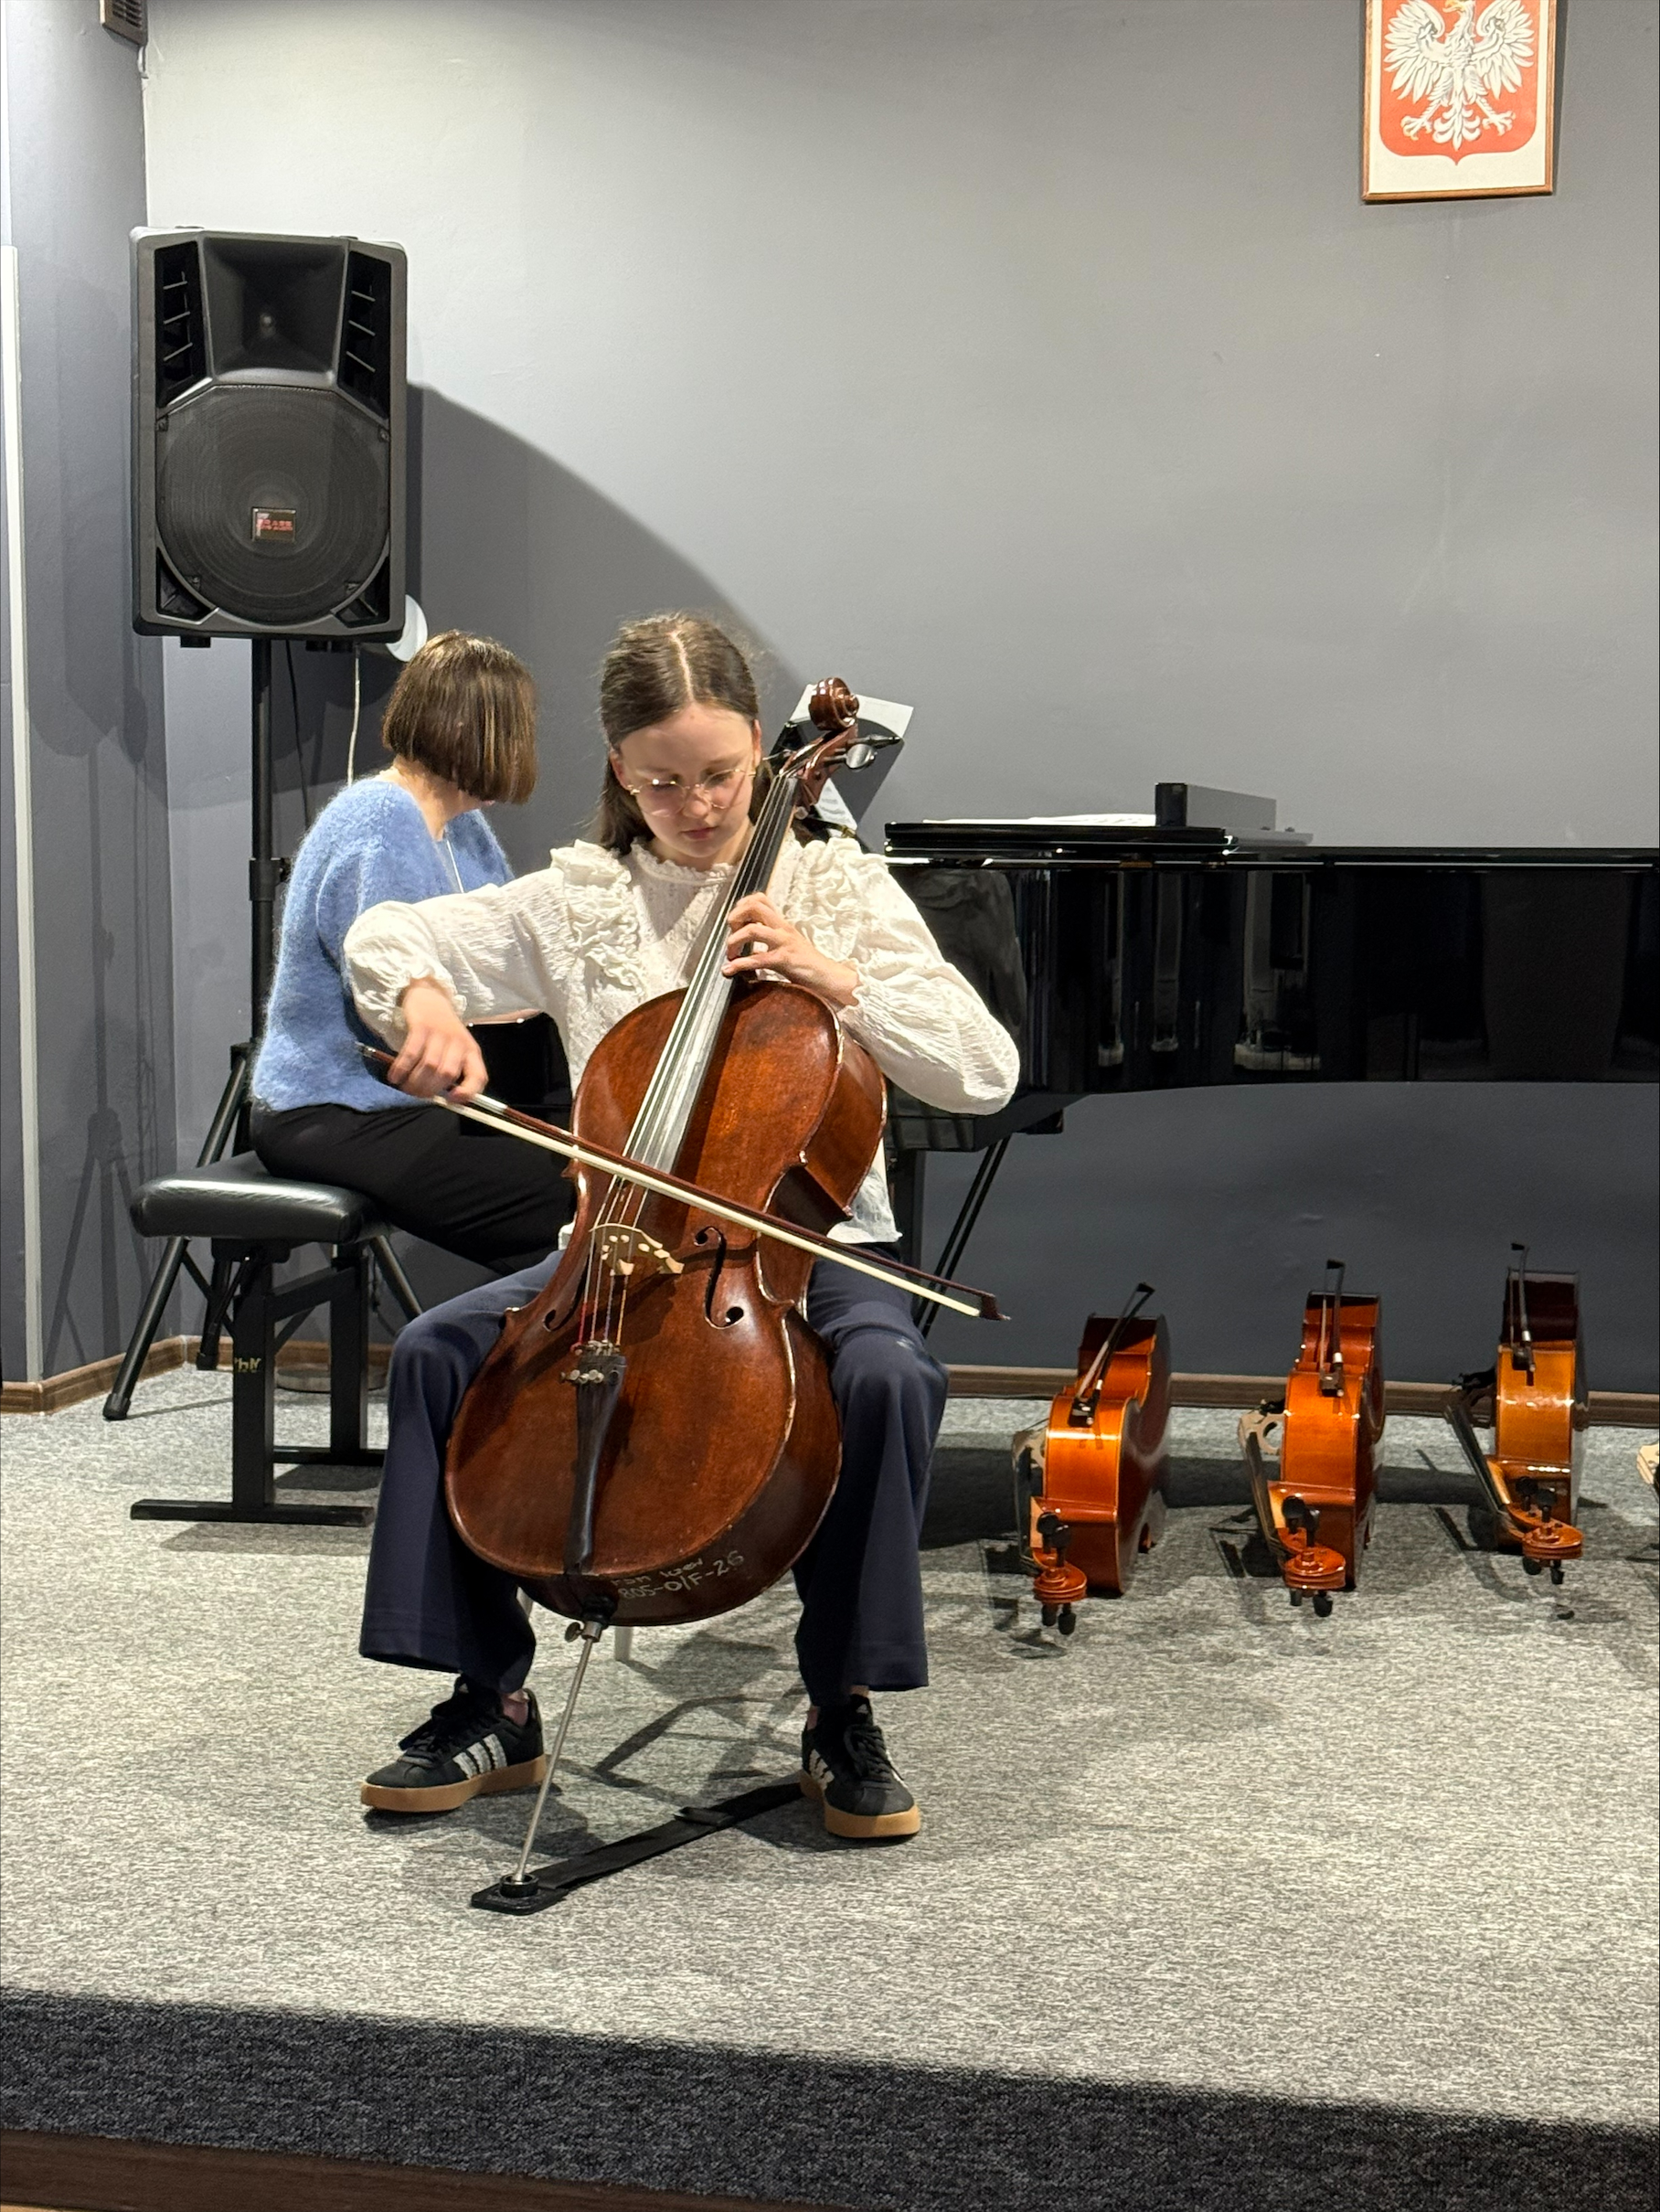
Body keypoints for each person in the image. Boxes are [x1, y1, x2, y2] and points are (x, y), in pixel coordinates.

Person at [341, 614, 1020, 1839]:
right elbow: (387, 933)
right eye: (663, 782)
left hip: (811, 1247)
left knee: (890, 1375)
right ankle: (490, 1696)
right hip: (613, 1246)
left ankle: (841, 1703)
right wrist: (428, 1002)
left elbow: (983, 1070)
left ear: (762, 749)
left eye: (719, 774)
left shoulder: (837, 888)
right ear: (620, 770)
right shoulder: (580, 902)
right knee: (440, 1349)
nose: (698, 807)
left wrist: (833, 978)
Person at [250, 631, 569, 1272]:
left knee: (599, 1176)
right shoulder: (379, 818)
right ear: (471, 732)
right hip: (336, 1108)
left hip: (405, 1103)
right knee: (566, 1202)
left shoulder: (465, 827)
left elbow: (507, 950)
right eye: (515, 732)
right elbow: (384, 992)